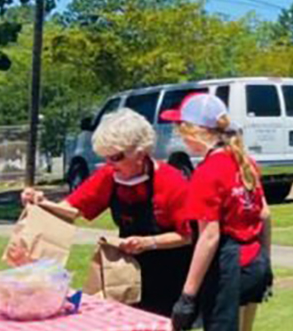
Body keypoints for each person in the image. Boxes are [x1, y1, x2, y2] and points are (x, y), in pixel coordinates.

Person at [164, 94, 288, 331]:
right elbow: (264, 214)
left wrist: (187, 295)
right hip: (253, 264)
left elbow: (209, 236)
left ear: (197, 132)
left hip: (230, 270)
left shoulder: (208, 172)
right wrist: (266, 262)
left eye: (181, 128)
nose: (178, 135)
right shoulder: (243, 161)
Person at [12, 108, 193, 317]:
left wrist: (150, 242)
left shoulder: (171, 182)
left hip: (170, 271)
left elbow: (189, 236)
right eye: (106, 158)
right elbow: (69, 210)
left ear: (141, 152)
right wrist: (40, 203)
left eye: (116, 157)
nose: (110, 165)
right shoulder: (109, 176)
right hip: (128, 271)